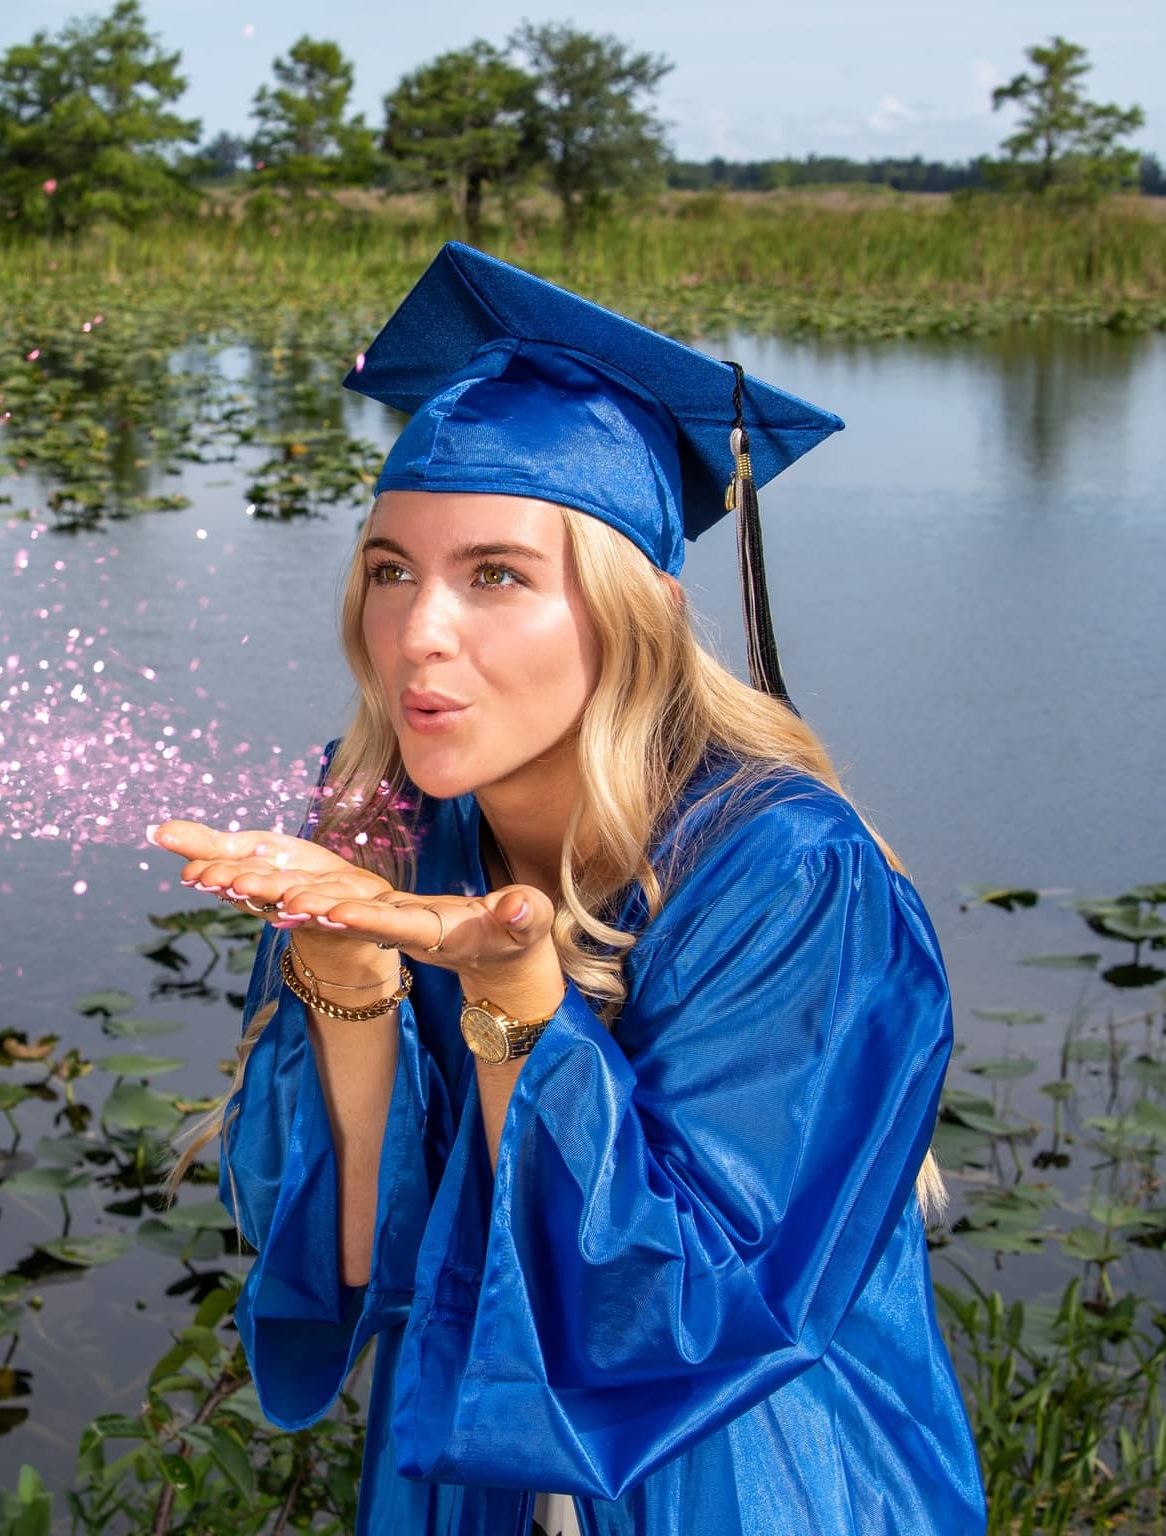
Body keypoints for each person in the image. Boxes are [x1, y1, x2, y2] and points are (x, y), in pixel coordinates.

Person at [152, 243, 986, 1535]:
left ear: (633, 611)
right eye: (390, 569)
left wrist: (511, 989)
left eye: (495, 575)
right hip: (470, 1487)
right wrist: (349, 977)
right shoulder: (376, 834)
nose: (419, 632)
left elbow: (672, 1324)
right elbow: (359, 1267)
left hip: (746, 1477)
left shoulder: (786, 877)